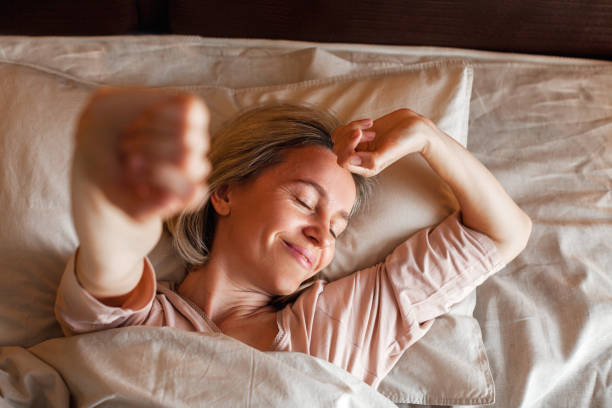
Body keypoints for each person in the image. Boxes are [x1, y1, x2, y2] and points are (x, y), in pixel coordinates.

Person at [55, 87, 532, 389]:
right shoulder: (140, 320)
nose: (322, 233)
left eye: (338, 227)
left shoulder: (346, 321)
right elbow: (110, 251)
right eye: (305, 202)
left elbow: (504, 233)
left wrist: (427, 136)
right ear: (223, 193)